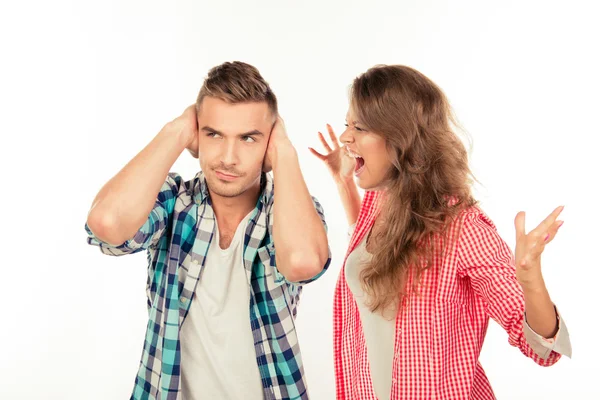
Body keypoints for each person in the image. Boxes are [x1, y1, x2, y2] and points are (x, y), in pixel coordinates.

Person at [310, 64, 571, 400]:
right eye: (347, 124)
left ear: (401, 138)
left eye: (359, 127)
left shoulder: (463, 228)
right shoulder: (379, 200)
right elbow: (371, 258)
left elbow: (542, 347)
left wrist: (530, 277)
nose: (346, 137)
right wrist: (345, 182)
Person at [85, 61, 331, 400]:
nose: (228, 157)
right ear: (197, 137)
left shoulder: (292, 211)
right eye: (214, 134)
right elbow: (107, 225)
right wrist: (177, 130)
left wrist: (286, 154)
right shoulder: (173, 202)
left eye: (248, 138)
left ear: (269, 145)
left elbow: (303, 263)